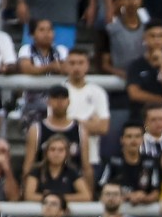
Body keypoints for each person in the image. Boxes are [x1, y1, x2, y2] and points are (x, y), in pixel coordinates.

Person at [21, 85, 92, 194]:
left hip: (73, 188)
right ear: (48, 101)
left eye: (63, 98)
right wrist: (26, 191)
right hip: (42, 188)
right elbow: (29, 165)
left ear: (68, 101)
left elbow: (86, 167)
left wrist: (89, 194)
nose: (59, 102)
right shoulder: (36, 129)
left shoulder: (80, 130)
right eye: (55, 98)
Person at [64, 49, 111, 177]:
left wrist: (73, 122)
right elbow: (58, 125)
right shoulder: (60, 92)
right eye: (72, 63)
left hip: (91, 157)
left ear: (87, 65)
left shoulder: (98, 92)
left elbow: (103, 127)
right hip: (63, 158)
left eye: (80, 63)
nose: (76, 67)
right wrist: (89, 123)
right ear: (66, 66)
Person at [16, 18, 69, 127]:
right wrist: (50, 67)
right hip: (32, 103)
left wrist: (40, 69)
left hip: (57, 103)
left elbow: (66, 69)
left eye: (49, 30)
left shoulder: (61, 50)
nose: (46, 34)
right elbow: (26, 69)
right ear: (32, 34)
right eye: (41, 30)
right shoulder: (26, 49)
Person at [126, 20, 162, 117]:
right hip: (140, 116)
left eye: (160, 36)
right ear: (145, 38)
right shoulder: (136, 65)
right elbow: (134, 94)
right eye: (152, 36)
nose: (157, 40)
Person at [97, 120, 160, 206]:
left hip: (146, 216)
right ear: (122, 140)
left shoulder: (151, 162)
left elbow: (156, 192)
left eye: (137, 136)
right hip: (117, 213)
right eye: (129, 136)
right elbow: (101, 189)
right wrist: (126, 197)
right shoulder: (111, 161)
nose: (133, 140)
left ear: (142, 139)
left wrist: (143, 198)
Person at [23, 133, 92, 202]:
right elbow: (29, 196)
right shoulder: (36, 170)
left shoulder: (72, 171)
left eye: (61, 150)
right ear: (46, 152)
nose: (56, 154)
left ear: (66, 153)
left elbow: (86, 196)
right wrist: (53, 199)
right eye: (52, 149)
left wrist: (58, 197)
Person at [98, 0, 149, 80]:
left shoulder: (148, 27)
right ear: (119, 1)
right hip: (118, 79)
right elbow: (104, 64)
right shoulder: (111, 29)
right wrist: (121, 73)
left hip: (143, 78)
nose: (131, 2)